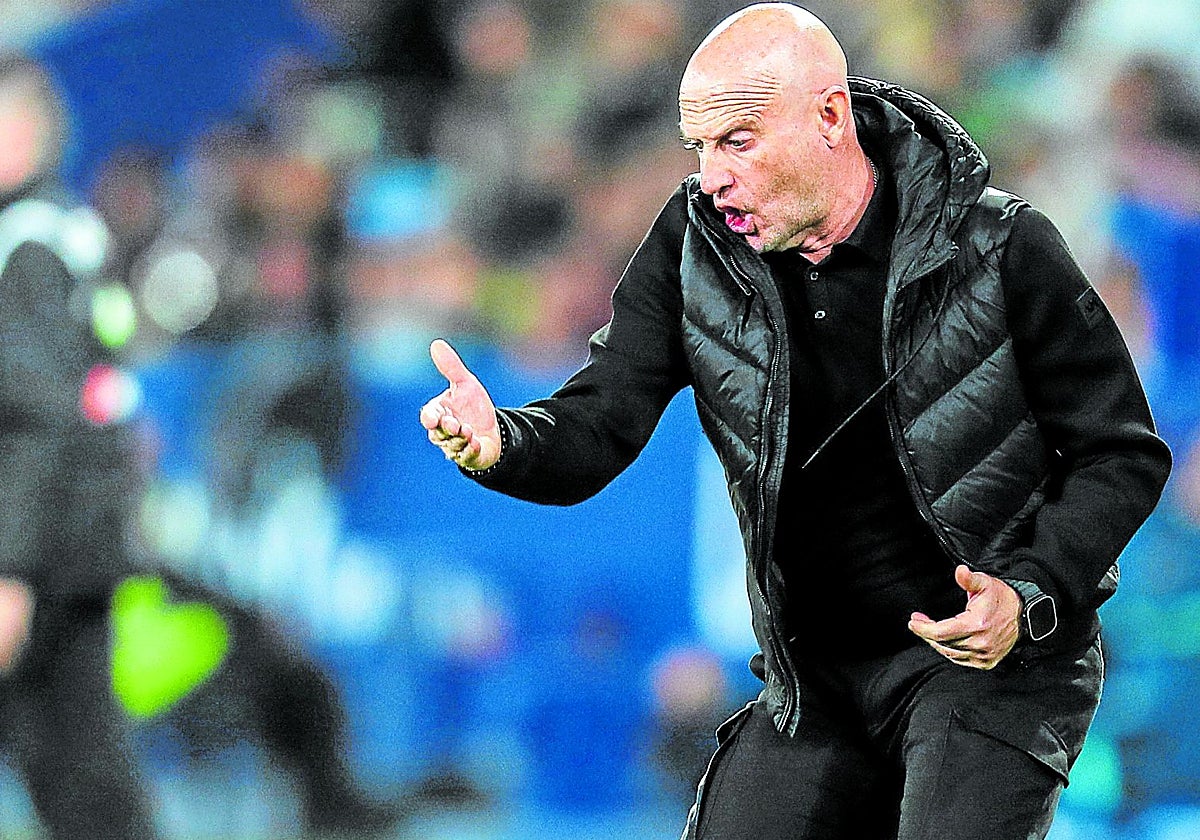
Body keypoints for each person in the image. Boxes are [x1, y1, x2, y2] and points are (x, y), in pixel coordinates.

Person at [419, 4, 1172, 839]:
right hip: (816, 681)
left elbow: (1121, 454)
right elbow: (602, 420)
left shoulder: (1002, 246)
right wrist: (504, 441)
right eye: (698, 146)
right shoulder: (691, 249)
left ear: (829, 118)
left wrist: (1027, 592)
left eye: (736, 141)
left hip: (992, 663)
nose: (711, 177)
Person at [0, 54, 160, 839]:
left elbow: (36, 416)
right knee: (83, 773)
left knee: (81, 777)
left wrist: (9, 571)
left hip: (41, 550)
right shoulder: (67, 226)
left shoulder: (25, 243)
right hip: (79, 537)